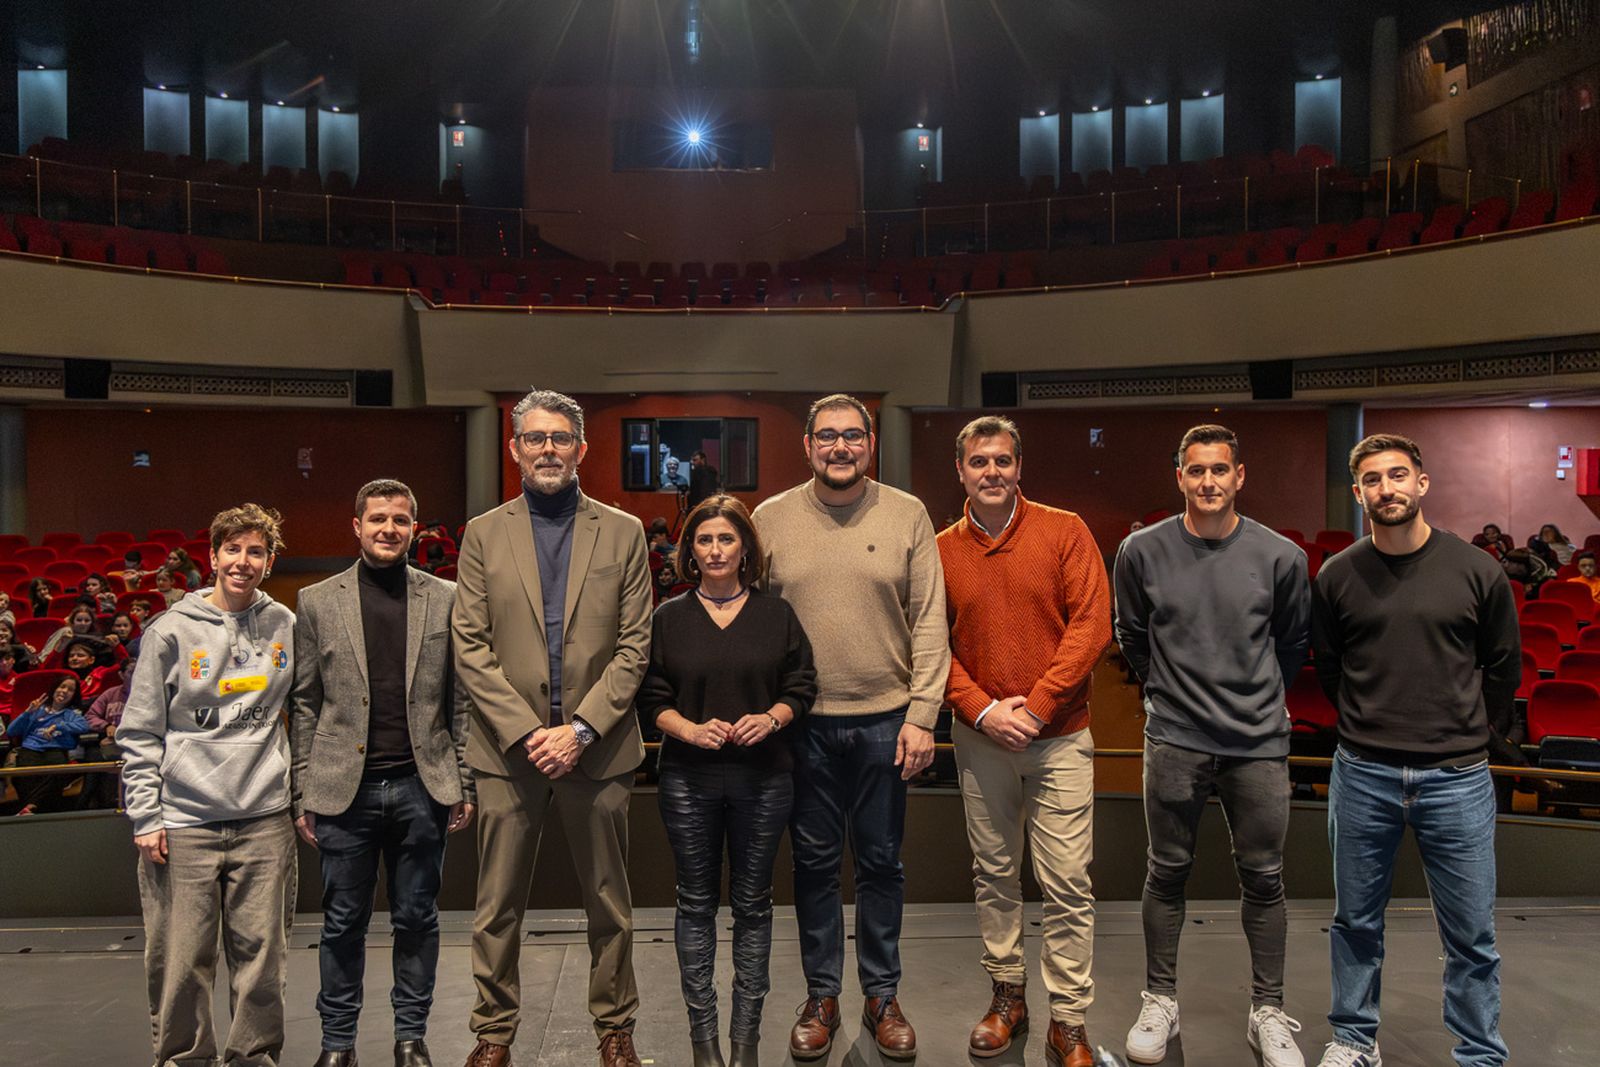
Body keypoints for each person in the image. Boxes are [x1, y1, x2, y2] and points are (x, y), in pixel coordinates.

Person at [452, 388, 653, 1067]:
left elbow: (634, 647)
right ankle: (493, 1030)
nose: (547, 449)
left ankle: (615, 1025)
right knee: (497, 903)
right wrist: (528, 731)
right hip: (508, 753)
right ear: (513, 449)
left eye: (560, 438)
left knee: (609, 900)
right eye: (534, 438)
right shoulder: (483, 533)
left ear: (581, 449)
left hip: (597, 749)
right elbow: (471, 645)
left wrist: (582, 730)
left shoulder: (622, 532)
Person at [751, 393, 950, 1062]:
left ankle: (882, 993)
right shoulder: (769, 518)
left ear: (871, 445)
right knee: (810, 865)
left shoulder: (908, 514)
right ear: (807, 446)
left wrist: (923, 714)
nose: (841, 447)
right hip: (800, 728)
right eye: (827, 436)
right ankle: (822, 996)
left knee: (881, 864)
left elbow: (929, 620)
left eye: (853, 437)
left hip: (885, 723)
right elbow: (752, 624)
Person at [1311, 434, 1518, 1067]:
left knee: (1471, 934)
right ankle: (1353, 1041)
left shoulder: (1476, 570)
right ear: (1358, 494)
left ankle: (1480, 1052)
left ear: (1422, 484)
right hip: (1363, 773)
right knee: (1355, 923)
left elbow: (1503, 666)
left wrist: (1465, 731)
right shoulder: (1338, 575)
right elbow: (1329, 667)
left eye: (1398, 476)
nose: (1387, 489)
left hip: (1456, 778)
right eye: (1372, 480)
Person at [1112, 424, 1310, 1067]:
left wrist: (1252, 699)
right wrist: (1169, 692)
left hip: (1258, 743)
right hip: (1176, 739)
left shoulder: (1281, 555)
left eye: (1219, 470)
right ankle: (1160, 1000)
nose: (1208, 482)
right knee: (1165, 871)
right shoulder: (1141, 551)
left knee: (1265, 877)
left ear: (1239, 476)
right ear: (1180, 477)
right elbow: (1132, 636)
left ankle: (1269, 1010)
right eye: (1196, 471)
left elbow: (1292, 644)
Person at [937, 416, 1110, 1067]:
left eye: (1002, 460)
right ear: (961, 470)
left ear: (1018, 466)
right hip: (980, 740)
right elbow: (928, 643)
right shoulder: (941, 547)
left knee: (1066, 880)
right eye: (979, 461)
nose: (991, 471)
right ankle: (1007, 996)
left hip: (1060, 737)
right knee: (994, 874)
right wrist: (984, 712)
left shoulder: (1065, 530)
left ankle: (1068, 1019)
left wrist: (1035, 709)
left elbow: (1092, 625)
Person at [290, 479, 477, 1067]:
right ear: (356, 525)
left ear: (414, 528)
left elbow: (461, 702)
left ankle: (410, 1037)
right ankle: (337, 1044)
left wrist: (464, 781)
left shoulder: (446, 597)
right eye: (378, 519)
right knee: (342, 922)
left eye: (400, 520)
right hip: (343, 789)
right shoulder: (317, 601)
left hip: (424, 786)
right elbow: (304, 702)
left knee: (417, 917)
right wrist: (302, 788)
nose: (388, 529)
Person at [638, 495, 817, 1067]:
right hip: (688, 780)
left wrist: (772, 718)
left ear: (746, 549)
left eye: (727, 540)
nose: (716, 550)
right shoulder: (668, 618)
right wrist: (688, 730)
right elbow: (651, 698)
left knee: (753, 907)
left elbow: (802, 686)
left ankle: (746, 1043)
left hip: (764, 779)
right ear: (690, 551)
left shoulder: (776, 614)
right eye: (705, 540)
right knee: (695, 906)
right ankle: (704, 1043)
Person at [118, 503, 298, 1067]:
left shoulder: (284, 625)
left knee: (263, 959)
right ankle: (182, 1059)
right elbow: (139, 732)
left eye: (256, 552)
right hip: (183, 822)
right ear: (213, 556)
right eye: (233, 550)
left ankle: (254, 1057)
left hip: (264, 818)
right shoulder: (169, 631)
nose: (243, 562)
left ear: (268, 563)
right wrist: (146, 817)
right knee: (179, 961)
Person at [6, 675, 92, 814]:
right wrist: (27, 713)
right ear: (54, 689)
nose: (64, 691)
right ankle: (33, 808)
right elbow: (11, 731)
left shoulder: (71, 713)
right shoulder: (37, 709)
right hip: (31, 748)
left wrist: (58, 726)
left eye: (70, 690)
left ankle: (30, 806)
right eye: (62, 687)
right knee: (25, 775)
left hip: (56, 749)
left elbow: (84, 727)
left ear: (73, 695)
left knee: (57, 773)